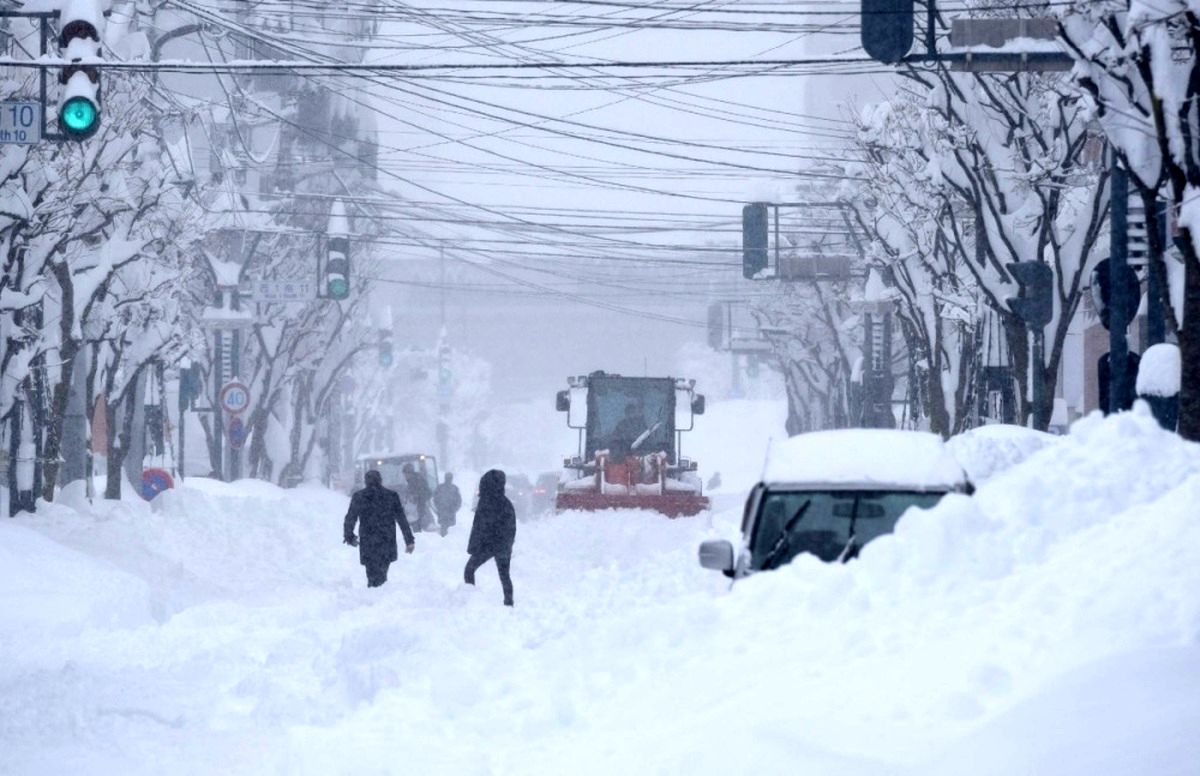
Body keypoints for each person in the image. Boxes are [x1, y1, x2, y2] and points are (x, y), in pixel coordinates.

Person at [344, 469, 415, 588]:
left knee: (371, 570)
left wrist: (349, 536)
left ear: (365, 481)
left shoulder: (359, 497)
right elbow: (402, 519)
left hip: (368, 540)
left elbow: (351, 518)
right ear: (381, 480)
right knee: (383, 570)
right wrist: (409, 540)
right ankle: (379, 591)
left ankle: (373, 589)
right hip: (386, 540)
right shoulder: (391, 496)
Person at [464, 469, 516, 606]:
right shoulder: (506, 504)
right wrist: (506, 546)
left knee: (469, 569)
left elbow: (479, 528)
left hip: (486, 546)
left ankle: (470, 600)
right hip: (501, 546)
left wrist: (475, 547)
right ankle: (509, 603)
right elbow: (511, 529)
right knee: (505, 575)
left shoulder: (486, 502)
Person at [403, 463, 434, 531]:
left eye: (405, 474)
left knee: (418, 529)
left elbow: (424, 493)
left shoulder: (417, 480)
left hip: (418, 510)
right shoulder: (413, 480)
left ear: (409, 473)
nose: (404, 476)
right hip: (416, 510)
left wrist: (415, 497)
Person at [433, 472, 463, 537]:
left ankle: (444, 541)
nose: (448, 479)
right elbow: (459, 501)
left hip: (445, 513)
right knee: (450, 532)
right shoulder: (454, 488)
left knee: (447, 530)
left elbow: (435, 499)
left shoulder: (440, 487)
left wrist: (439, 508)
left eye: (449, 478)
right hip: (447, 513)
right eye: (448, 478)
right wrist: (454, 509)